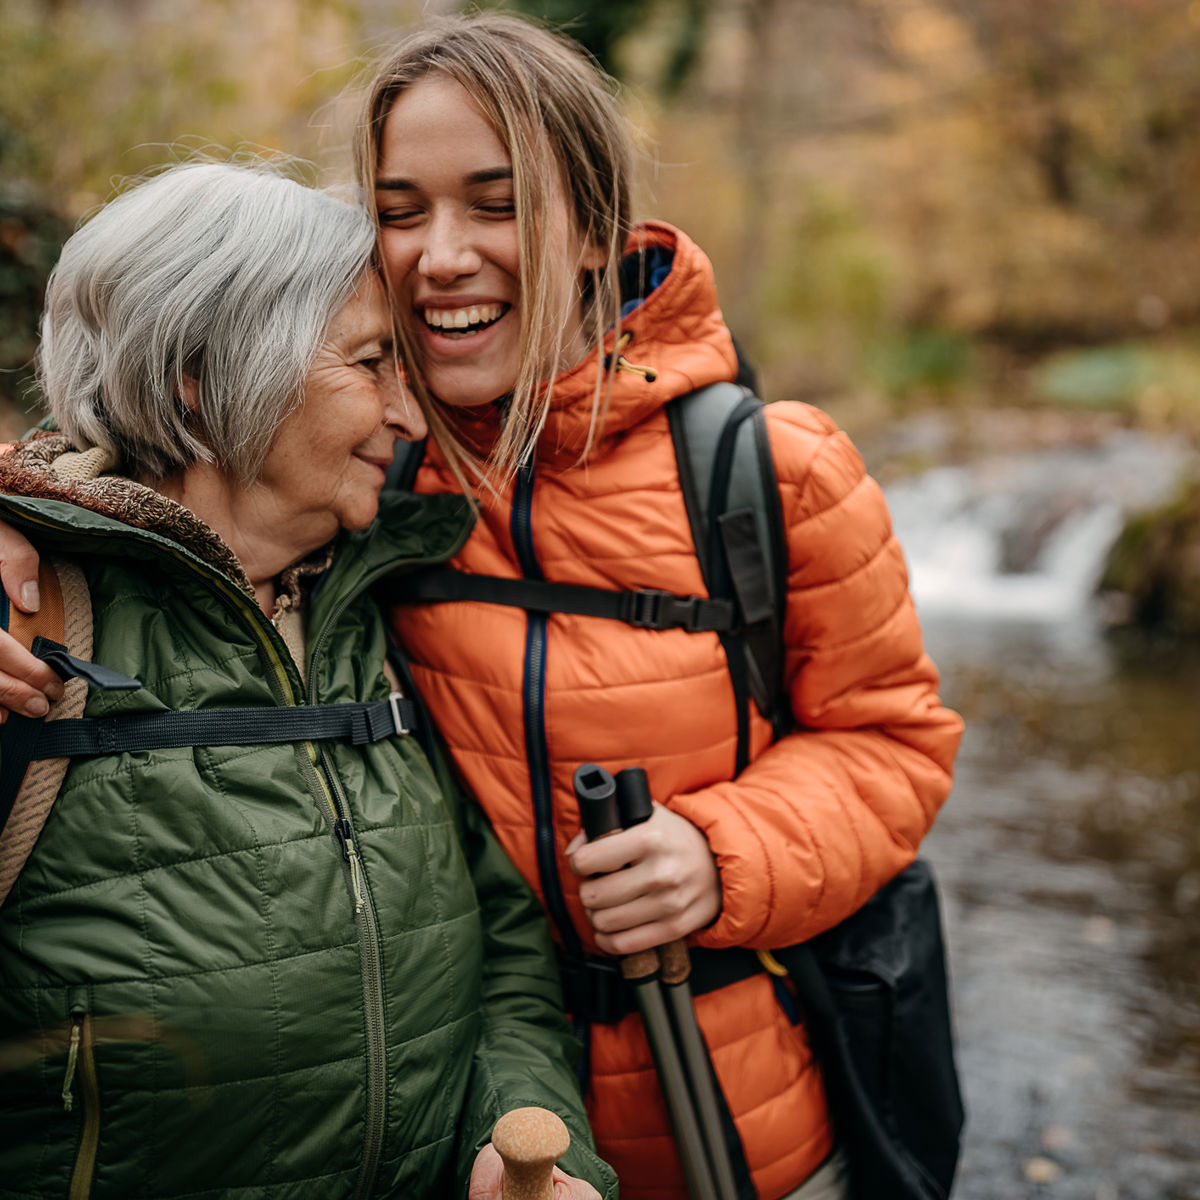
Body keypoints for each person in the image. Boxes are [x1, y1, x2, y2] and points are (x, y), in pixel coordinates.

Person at [0, 12, 965, 1199]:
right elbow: (143, 439)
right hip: (461, 1127)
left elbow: (896, 744)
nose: (439, 255)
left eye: (496, 204)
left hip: (733, 1111)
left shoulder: (768, 472)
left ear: (596, 222)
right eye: (399, 211)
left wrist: (726, 853)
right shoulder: (357, 478)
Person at [0, 160, 613, 1200]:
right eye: (371, 361)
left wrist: (530, 1150)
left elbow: (504, 958)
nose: (407, 415)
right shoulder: (29, 628)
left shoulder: (381, 616)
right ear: (204, 375)